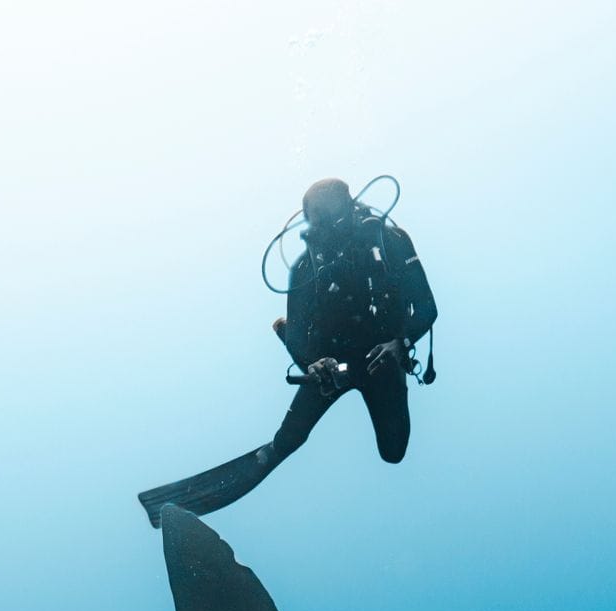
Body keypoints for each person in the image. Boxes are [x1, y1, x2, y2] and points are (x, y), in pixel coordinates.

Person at [138, 177, 437, 526]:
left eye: (330, 212)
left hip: (382, 362)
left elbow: (427, 308)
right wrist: (314, 364)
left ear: (351, 206)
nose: (325, 225)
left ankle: (361, 357)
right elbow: (300, 341)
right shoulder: (306, 267)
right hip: (331, 366)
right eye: (317, 217)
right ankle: (173, 505)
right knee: (286, 442)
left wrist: (399, 343)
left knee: (394, 453)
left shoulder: (389, 240)